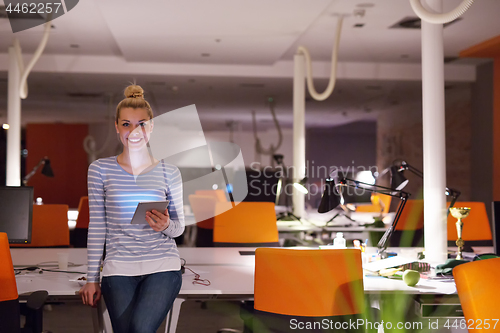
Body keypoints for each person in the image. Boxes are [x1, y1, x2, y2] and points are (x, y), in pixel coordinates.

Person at [79, 84, 184, 333]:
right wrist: (92, 278)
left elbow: (179, 229)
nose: (134, 131)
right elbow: (97, 226)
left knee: (140, 328)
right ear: (117, 127)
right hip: (118, 265)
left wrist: (166, 225)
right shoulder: (100, 170)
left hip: (162, 265)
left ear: (151, 127)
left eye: (142, 124)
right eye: (126, 124)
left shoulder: (169, 172)